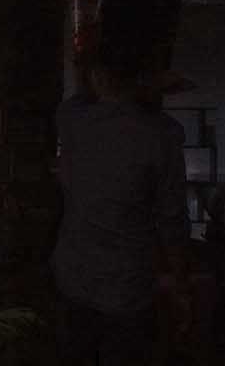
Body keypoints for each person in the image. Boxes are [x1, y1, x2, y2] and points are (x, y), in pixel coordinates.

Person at [52, 43, 190, 365]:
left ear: (97, 76)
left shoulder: (73, 119)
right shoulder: (163, 135)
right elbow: (173, 219)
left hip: (74, 277)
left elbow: (84, 98)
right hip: (129, 285)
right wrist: (182, 285)